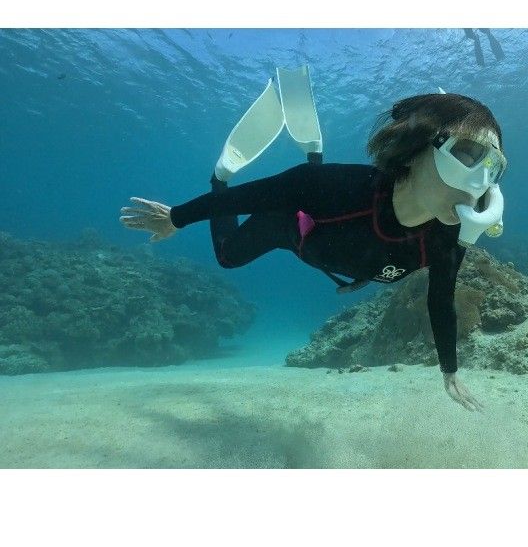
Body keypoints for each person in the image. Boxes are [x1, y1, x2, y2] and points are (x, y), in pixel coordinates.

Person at [120, 92, 507, 412]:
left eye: (494, 167)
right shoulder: (342, 187)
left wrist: (449, 372)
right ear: (413, 151)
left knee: (318, 203)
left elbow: (441, 298)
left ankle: (313, 149)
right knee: (228, 256)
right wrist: (177, 217)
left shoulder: (445, 237)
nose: (480, 182)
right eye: (469, 155)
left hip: (334, 253)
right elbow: (252, 196)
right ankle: (220, 173)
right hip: (289, 225)